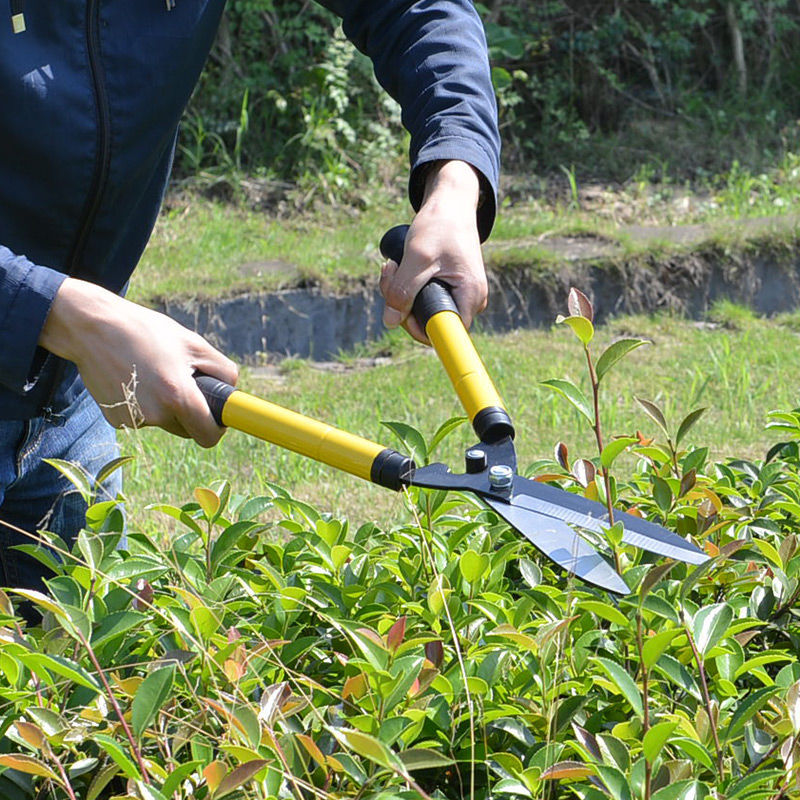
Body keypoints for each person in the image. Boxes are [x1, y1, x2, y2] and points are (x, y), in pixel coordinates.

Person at [0, 0, 500, 590]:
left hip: (66, 404)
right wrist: (58, 313)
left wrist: (456, 174)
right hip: (70, 342)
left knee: (75, 665)